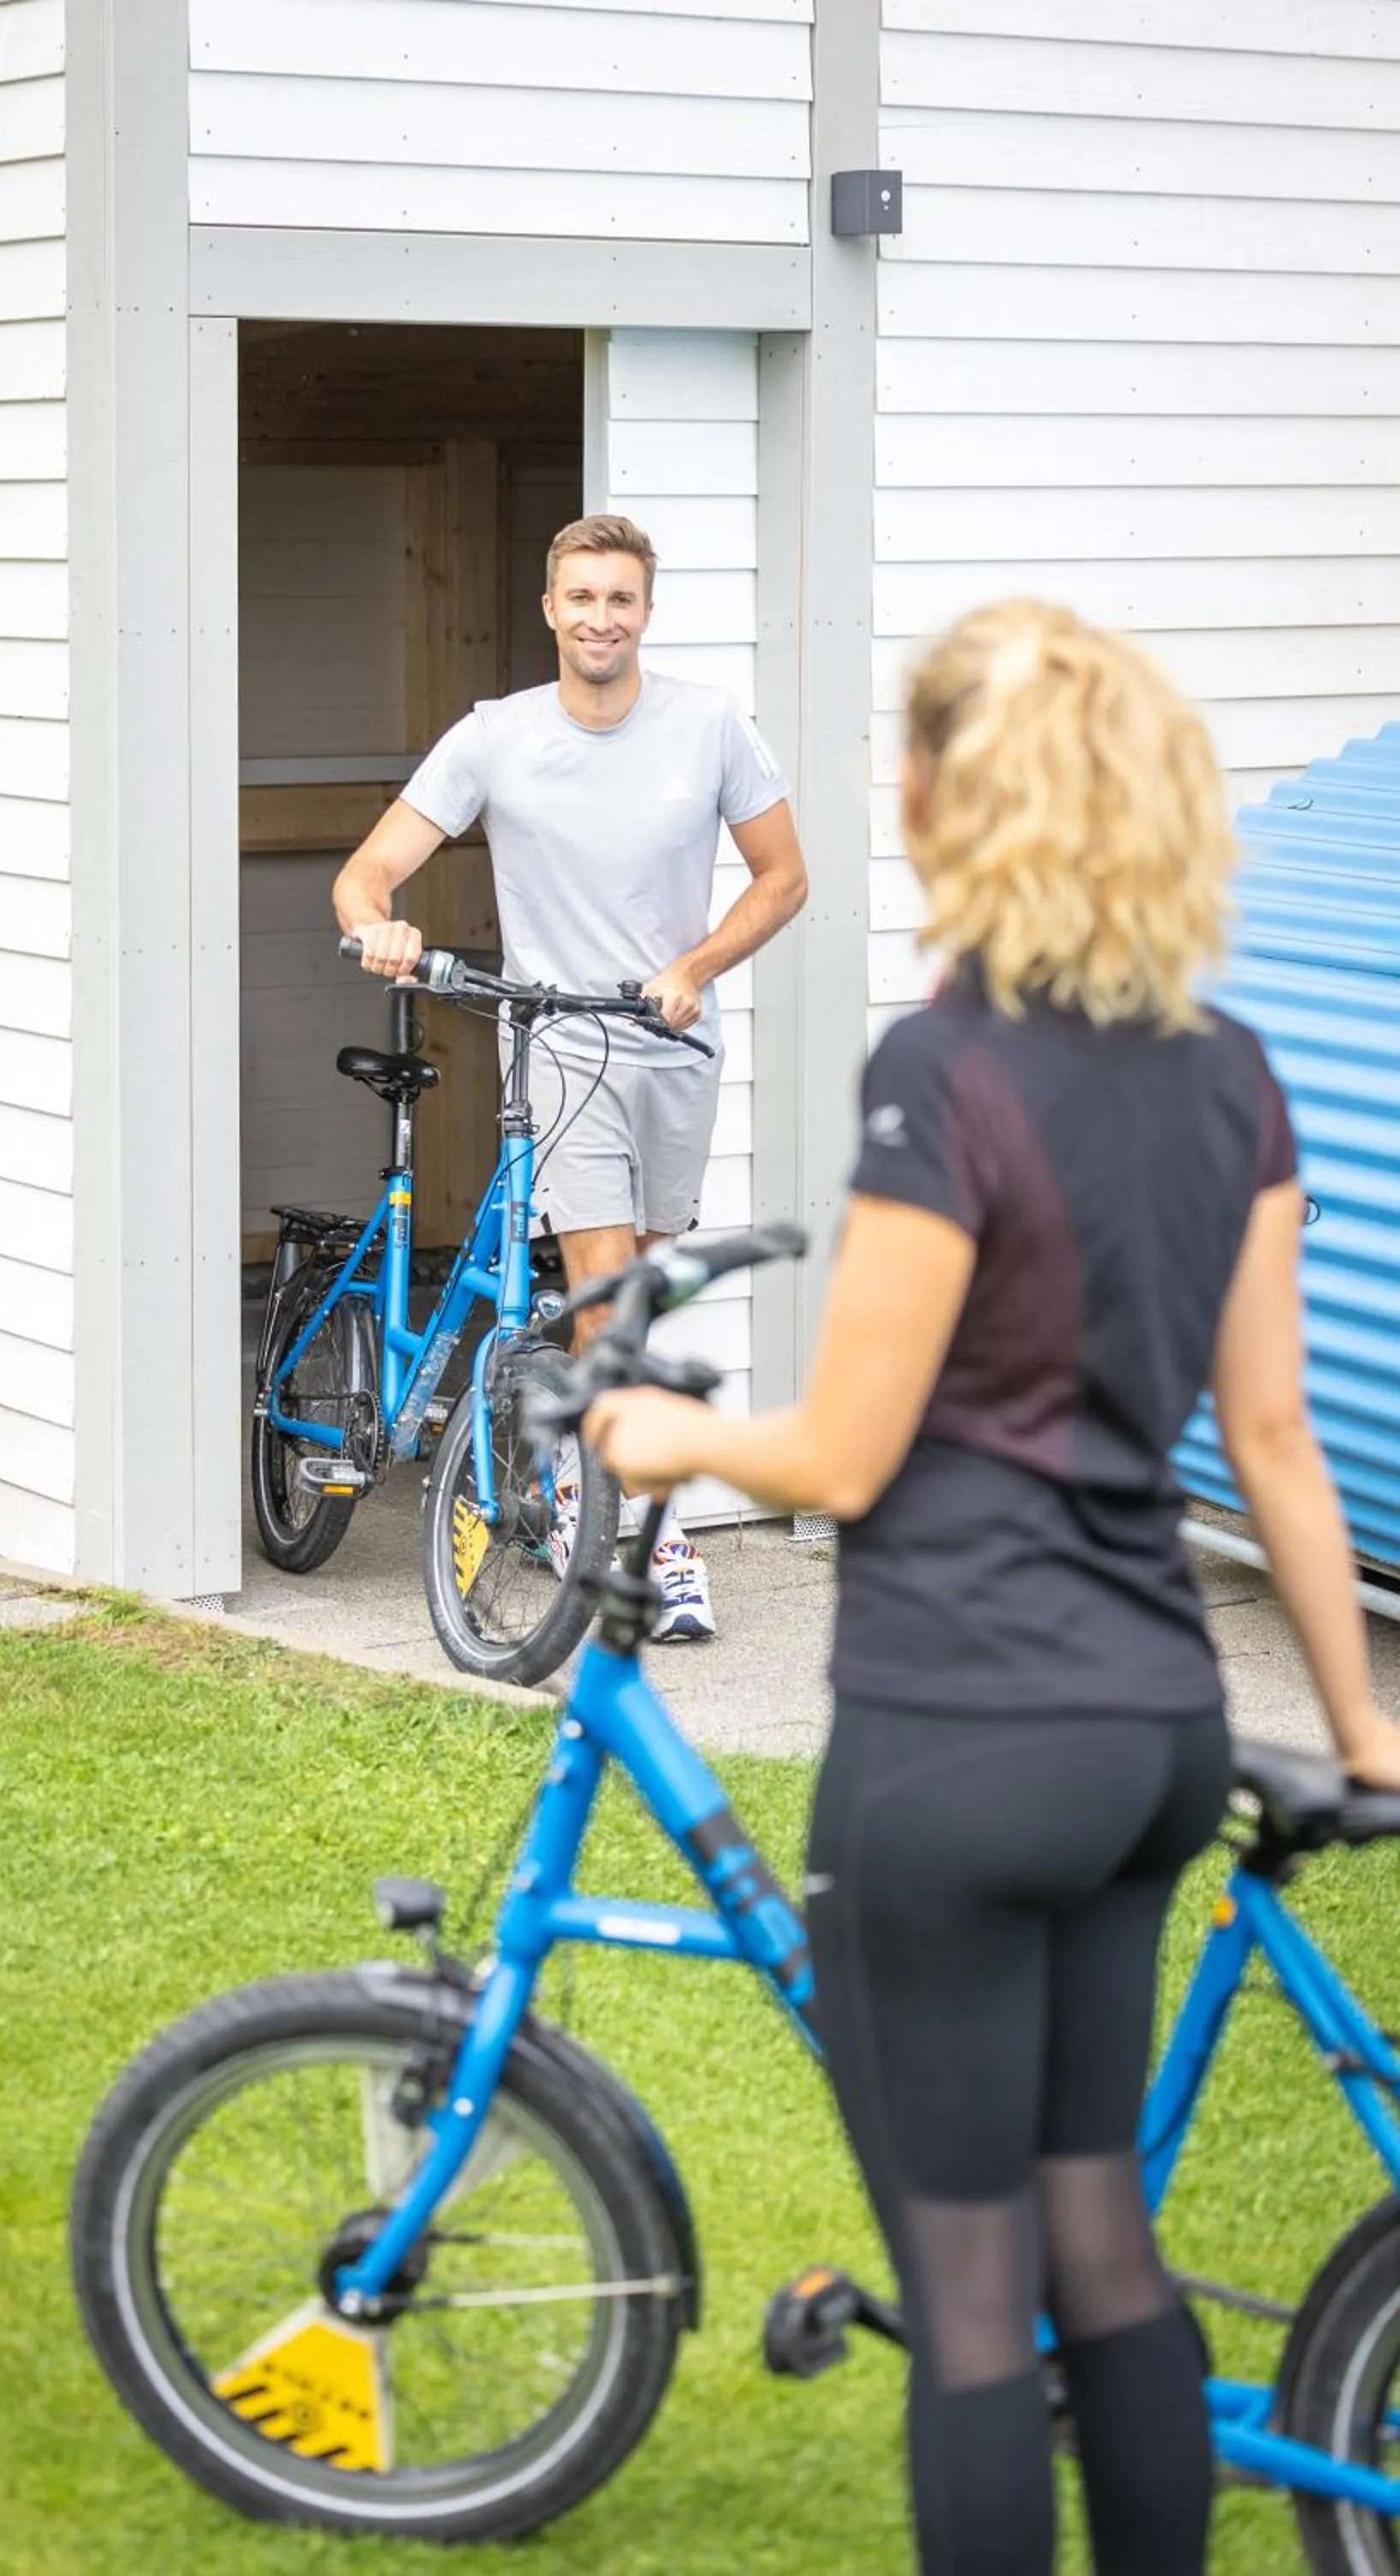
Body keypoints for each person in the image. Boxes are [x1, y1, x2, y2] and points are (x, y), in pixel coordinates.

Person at [585, 598, 1400, 2574]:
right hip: (1146, 1741)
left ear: (949, 795)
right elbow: (1275, 1444)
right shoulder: (1231, 1074)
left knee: (967, 2310)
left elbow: (846, 1456)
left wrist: (669, 1438)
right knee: (1098, 2256)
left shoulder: (939, 1072)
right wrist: (1364, 1727)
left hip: (959, 1736)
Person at [334, 512, 807, 1643]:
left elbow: (783, 877)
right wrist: (379, 928)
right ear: (551, 610)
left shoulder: (710, 729)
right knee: (604, 1287)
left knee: (637, 1288)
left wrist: (695, 965)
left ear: (647, 612)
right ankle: (650, 1532)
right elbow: (368, 874)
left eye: (621, 600)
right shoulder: (495, 738)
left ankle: (570, 1480)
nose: (601, 618)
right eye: (581, 598)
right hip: (558, 1042)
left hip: (675, 1042)